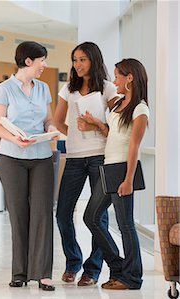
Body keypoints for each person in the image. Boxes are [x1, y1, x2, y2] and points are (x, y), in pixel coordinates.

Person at [0, 41, 57, 291]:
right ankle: (19, 272)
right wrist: (15, 139)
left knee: (42, 213)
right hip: (11, 158)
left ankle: (43, 274)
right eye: (42, 60)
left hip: (41, 157)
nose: (44, 65)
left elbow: (48, 119)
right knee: (19, 214)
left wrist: (51, 130)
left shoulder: (43, 88)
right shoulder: (3, 90)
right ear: (28, 61)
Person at [53, 42, 119, 286]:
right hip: (74, 159)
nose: (77, 65)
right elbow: (59, 121)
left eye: (82, 59)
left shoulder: (108, 89)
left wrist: (94, 129)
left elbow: (117, 127)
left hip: (100, 157)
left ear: (93, 60)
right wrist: (75, 135)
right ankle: (73, 262)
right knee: (62, 214)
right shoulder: (67, 90)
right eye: (74, 60)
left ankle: (92, 269)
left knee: (97, 217)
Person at [82, 58, 149, 290]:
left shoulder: (140, 108)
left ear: (130, 77)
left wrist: (128, 179)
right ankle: (118, 266)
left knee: (125, 225)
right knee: (91, 217)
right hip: (108, 167)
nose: (115, 80)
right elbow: (114, 133)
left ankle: (132, 278)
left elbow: (133, 146)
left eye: (118, 76)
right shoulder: (119, 103)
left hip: (122, 169)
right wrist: (96, 124)